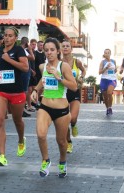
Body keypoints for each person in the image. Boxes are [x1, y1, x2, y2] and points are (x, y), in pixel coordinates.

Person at [31, 37, 77, 178]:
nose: (49, 53)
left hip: (62, 110)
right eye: (46, 50)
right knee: (40, 134)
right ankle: (46, 160)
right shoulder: (42, 66)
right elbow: (43, 80)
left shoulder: (64, 66)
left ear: (58, 51)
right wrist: (35, 90)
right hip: (45, 106)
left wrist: (59, 77)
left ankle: (62, 162)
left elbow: (74, 86)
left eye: (52, 50)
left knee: (61, 141)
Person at [0, 26, 29, 166]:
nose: (7, 38)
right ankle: (2, 156)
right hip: (0, 90)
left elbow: (25, 68)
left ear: (15, 38)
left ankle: (21, 140)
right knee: (0, 120)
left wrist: (9, 60)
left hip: (16, 92)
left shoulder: (18, 50)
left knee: (17, 120)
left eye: (10, 35)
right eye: (5, 35)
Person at [61, 39, 85, 153]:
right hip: (62, 93)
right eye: (63, 46)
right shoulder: (58, 62)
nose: (65, 48)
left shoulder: (77, 62)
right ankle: (68, 142)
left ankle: (74, 125)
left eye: (67, 46)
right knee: (65, 120)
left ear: (71, 49)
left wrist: (81, 78)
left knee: (73, 118)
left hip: (74, 91)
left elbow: (83, 71)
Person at [98, 49, 117, 115]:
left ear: (110, 54)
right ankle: (107, 108)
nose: (107, 54)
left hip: (112, 79)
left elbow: (115, 70)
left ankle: (110, 107)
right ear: (104, 54)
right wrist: (106, 68)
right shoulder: (102, 62)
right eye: (105, 53)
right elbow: (99, 72)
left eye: (108, 53)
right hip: (104, 80)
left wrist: (114, 72)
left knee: (109, 92)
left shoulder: (113, 61)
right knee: (105, 97)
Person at [20, 36, 35, 117]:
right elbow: (33, 58)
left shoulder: (18, 49)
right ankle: (22, 110)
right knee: (24, 91)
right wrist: (30, 49)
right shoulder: (23, 50)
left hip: (23, 72)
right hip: (24, 73)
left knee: (23, 90)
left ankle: (22, 109)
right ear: (26, 43)